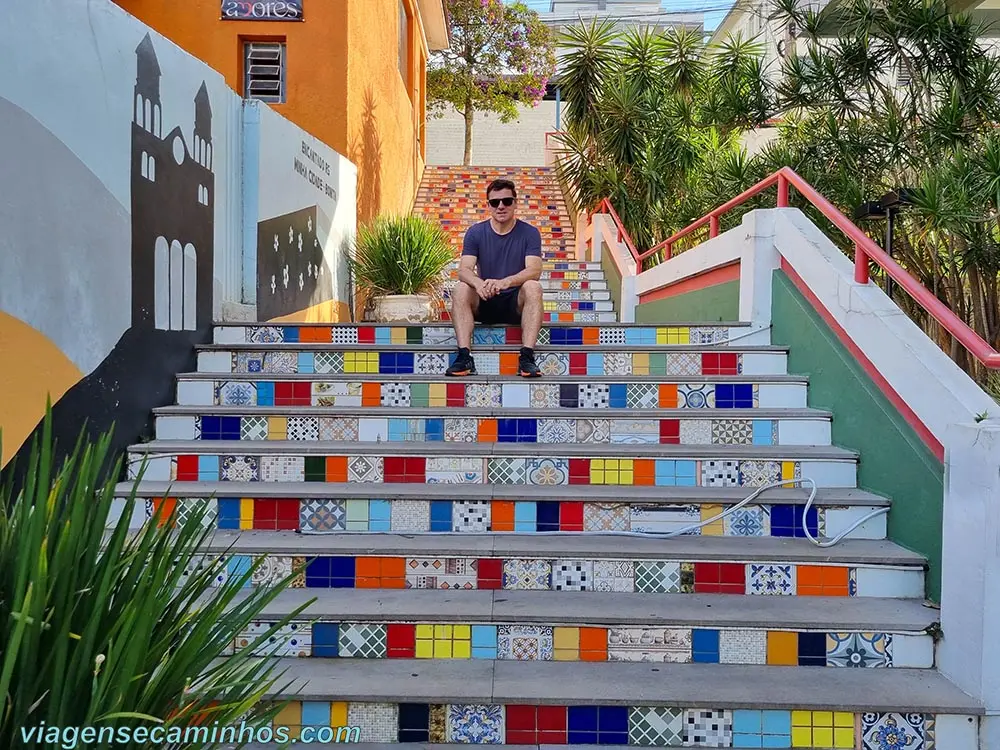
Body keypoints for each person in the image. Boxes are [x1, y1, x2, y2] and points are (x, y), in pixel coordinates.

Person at [445, 178, 544, 378]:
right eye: (494, 202)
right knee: (461, 288)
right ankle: (464, 356)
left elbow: (534, 270)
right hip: (484, 300)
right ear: (488, 205)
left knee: (533, 287)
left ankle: (526, 357)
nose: (501, 206)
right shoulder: (476, 232)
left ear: (515, 203)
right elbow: (463, 270)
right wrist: (478, 283)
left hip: (514, 303)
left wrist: (505, 282)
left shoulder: (530, 233)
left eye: (507, 201)